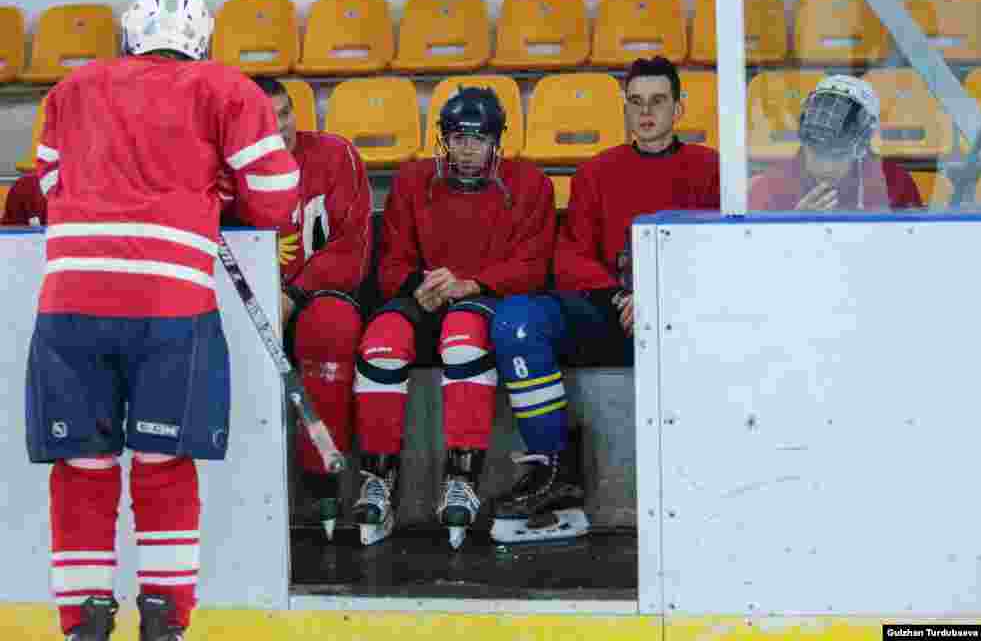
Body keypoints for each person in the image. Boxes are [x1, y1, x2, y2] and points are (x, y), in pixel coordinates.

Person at [25, 0, 300, 641]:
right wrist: (220, 186)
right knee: (163, 462)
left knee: (83, 466)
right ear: (202, 38)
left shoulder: (71, 89)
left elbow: (48, 184)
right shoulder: (230, 90)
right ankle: (163, 619)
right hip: (171, 304)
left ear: (129, 32)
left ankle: (84, 619)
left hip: (71, 302)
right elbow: (276, 198)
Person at [487, 56, 721, 543]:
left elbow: (722, 251)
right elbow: (570, 254)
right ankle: (554, 471)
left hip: (689, 314)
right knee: (517, 321)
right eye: (635, 102)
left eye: (657, 101)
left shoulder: (711, 169)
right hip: (613, 312)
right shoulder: (597, 172)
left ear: (679, 109)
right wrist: (623, 296)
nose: (646, 112)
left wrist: (663, 297)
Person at [352, 86, 556, 550]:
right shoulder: (413, 180)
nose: (468, 149)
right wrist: (415, 287)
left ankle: (461, 478)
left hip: (482, 297)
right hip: (426, 295)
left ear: (497, 140)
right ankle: (378, 479)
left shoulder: (530, 185)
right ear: (443, 138)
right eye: (458, 138)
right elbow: (392, 264)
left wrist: (473, 283)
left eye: (479, 139)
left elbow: (533, 265)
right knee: (382, 339)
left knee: (463, 335)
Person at [221, 76, 372, 541]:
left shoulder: (334, 155)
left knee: (331, 327)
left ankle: (324, 481)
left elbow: (354, 247)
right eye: (268, 119)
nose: (281, 126)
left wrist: (293, 293)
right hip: (243, 299)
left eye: (285, 113)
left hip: (317, 297)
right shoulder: (222, 170)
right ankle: (230, 486)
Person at [749, 75, 922, 211]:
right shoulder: (770, 187)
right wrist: (795, 229)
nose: (825, 167)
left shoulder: (894, 184)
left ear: (862, 145)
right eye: (816, 152)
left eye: (837, 154)